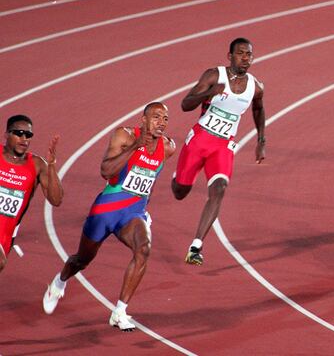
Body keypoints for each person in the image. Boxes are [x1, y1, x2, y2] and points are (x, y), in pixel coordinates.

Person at [42, 102, 175, 332]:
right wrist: (135, 146)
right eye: (155, 117)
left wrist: (145, 209)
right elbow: (106, 170)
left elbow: (149, 181)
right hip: (105, 211)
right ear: (142, 120)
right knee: (82, 260)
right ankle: (59, 282)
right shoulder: (123, 136)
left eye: (165, 118)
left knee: (143, 249)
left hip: (133, 213)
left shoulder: (167, 147)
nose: (161, 122)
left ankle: (120, 311)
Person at [171, 37, 265, 266]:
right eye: (241, 53)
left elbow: (259, 109)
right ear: (230, 56)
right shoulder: (214, 76)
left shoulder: (256, 86)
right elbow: (185, 104)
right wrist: (210, 92)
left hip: (223, 146)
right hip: (199, 141)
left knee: (220, 189)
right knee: (180, 191)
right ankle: (178, 178)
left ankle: (195, 246)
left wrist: (261, 139)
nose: (246, 58)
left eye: (249, 54)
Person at [1, 115, 63, 274]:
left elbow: (56, 200)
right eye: (18, 133)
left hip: (5, 238)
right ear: (7, 134)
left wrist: (51, 166)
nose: (24, 138)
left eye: (28, 135)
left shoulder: (37, 164)